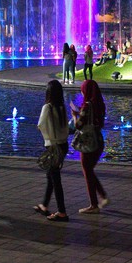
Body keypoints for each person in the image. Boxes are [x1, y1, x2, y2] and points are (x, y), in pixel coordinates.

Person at [71, 79, 109, 214]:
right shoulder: (99, 104)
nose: (81, 91)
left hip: (88, 142)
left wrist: (74, 115)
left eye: (82, 89)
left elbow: (78, 125)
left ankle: (94, 204)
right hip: (98, 140)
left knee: (87, 171)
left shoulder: (87, 106)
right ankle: (102, 196)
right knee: (89, 170)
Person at [35, 79, 70, 221]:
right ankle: (44, 204)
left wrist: (47, 137)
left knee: (55, 178)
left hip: (53, 146)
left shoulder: (47, 107)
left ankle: (62, 212)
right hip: (63, 144)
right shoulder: (61, 107)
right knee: (51, 175)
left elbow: (40, 125)